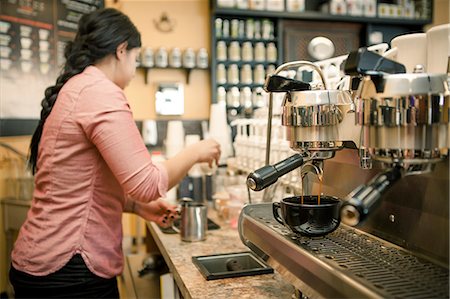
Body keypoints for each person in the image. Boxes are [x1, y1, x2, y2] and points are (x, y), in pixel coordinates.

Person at [9, 8, 220, 298]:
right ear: (121, 50)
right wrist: (197, 150)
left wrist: (134, 206)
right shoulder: (100, 93)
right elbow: (147, 183)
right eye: (136, 58)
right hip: (70, 268)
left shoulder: (78, 88)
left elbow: (79, 183)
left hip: (45, 260)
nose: (134, 69)